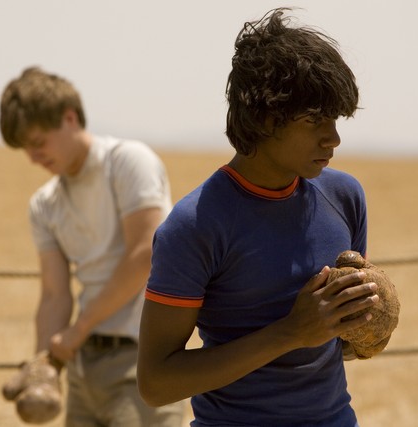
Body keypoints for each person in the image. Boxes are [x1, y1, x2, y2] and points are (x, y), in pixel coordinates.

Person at [137, 8, 378, 427]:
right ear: (266, 117)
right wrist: (289, 332)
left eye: (335, 119)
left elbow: (337, 341)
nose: (334, 137)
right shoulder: (194, 226)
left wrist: (368, 323)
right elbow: (155, 383)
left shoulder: (345, 197)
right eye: (314, 120)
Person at [0, 66, 184, 426]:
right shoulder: (44, 204)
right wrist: (44, 370)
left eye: (38, 143)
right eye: (25, 149)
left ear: (69, 118)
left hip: (143, 363)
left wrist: (76, 330)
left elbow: (145, 254)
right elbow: (54, 295)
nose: (33, 158)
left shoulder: (129, 162)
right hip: (84, 372)